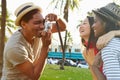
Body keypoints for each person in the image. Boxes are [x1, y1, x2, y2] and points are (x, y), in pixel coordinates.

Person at [1, 2, 66, 80]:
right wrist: (45, 47)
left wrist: (58, 18)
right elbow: (34, 76)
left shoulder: (37, 32)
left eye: (43, 22)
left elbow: (62, 28)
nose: (42, 26)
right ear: (24, 24)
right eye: (37, 23)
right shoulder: (15, 47)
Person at [92, 2, 120, 80]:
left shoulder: (110, 47)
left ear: (105, 23)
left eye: (95, 21)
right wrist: (95, 68)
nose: (92, 26)